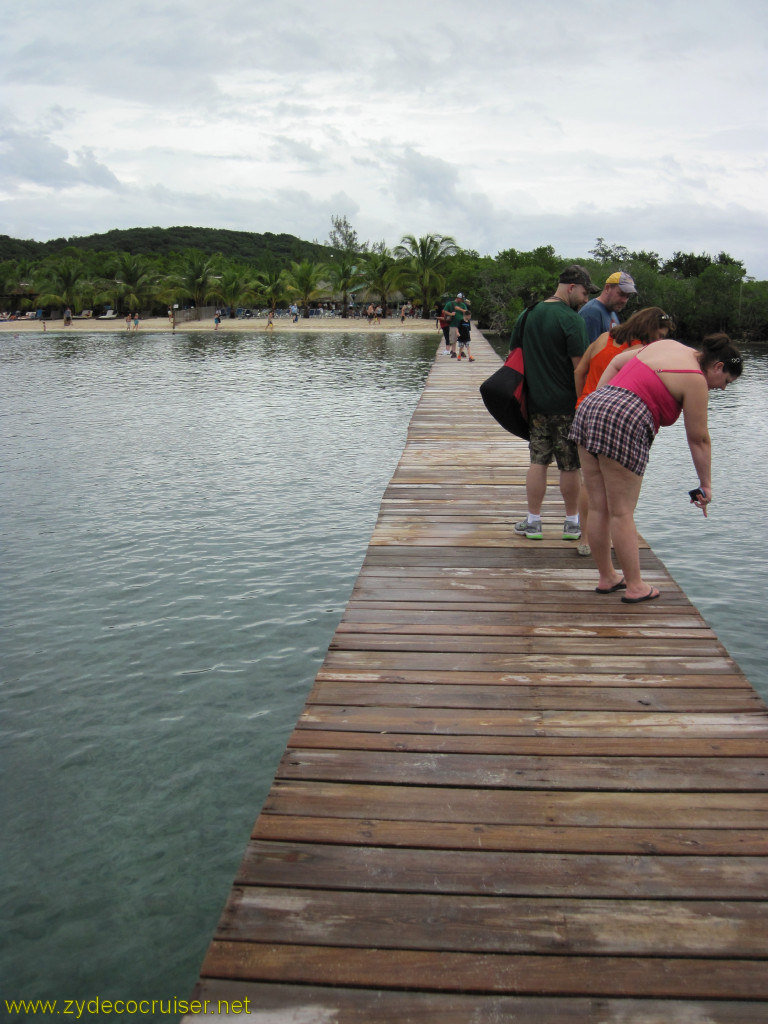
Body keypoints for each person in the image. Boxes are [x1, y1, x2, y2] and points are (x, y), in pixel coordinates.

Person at [569, 333, 742, 603]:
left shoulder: (669, 344)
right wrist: (706, 484)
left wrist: (604, 399)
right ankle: (635, 586)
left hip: (592, 406)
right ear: (718, 366)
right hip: (626, 418)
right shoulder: (696, 379)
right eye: (726, 381)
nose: (722, 389)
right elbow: (699, 439)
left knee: (598, 505)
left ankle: (607, 577)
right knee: (622, 512)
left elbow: (616, 362)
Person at [572, 306, 675, 555]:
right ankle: (617, 540)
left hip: (585, 411)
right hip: (618, 420)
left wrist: (584, 401)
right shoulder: (643, 353)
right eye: (660, 335)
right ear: (650, 330)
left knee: (590, 484)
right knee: (623, 492)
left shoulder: (602, 339)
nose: (661, 341)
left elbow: (579, 371)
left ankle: (586, 539)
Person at [513, 265, 598, 541]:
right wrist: (582, 405)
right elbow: (579, 368)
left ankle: (534, 521)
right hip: (567, 407)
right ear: (571, 288)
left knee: (538, 462)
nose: (586, 300)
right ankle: (572, 523)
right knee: (570, 466)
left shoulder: (527, 314)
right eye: (585, 293)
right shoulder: (572, 320)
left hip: (536, 405)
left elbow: (515, 355)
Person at [579, 271, 637, 343]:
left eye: (628, 296)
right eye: (621, 294)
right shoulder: (591, 312)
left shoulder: (612, 312)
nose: (624, 300)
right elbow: (589, 351)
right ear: (607, 288)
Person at [443, 292, 469, 358]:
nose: (462, 300)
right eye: (461, 299)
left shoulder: (463, 305)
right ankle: (454, 352)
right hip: (453, 324)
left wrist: (459, 309)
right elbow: (444, 311)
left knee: (462, 338)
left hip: (462, 324)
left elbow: (467, 312)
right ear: (458, 298)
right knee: (453, 339)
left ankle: (461, 351)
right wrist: (451, 314)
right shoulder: (450, 304)